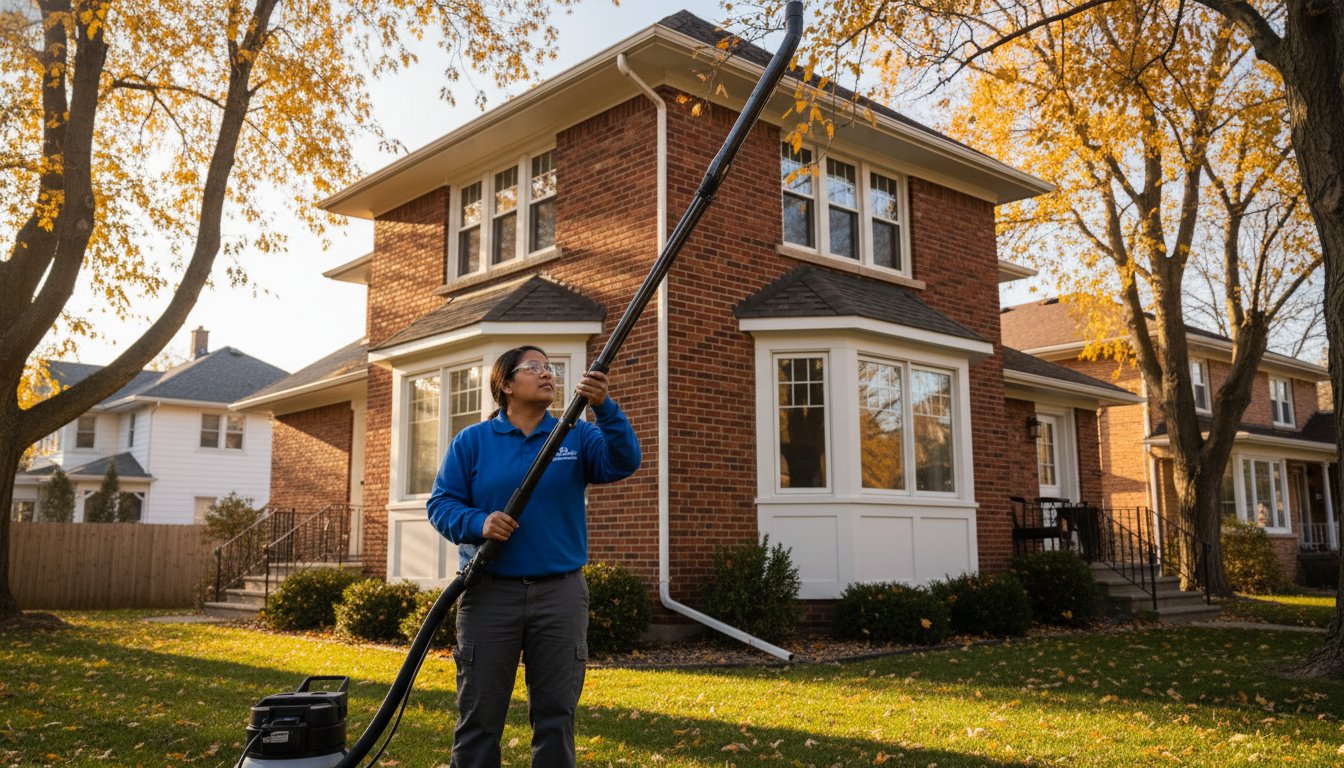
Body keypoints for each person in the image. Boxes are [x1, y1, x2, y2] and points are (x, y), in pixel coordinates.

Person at [426, 344, 641, 768]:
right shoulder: (472, 441)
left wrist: (606, 408)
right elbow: (441, 504)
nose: (548, 374)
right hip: (489, 594)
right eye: (534, 367)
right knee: (479, 717)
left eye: (550, 368)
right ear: (505, 384)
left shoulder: (575, 434)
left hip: (560, 595)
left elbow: (624, 461)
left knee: (556, 718)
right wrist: (480, 522)